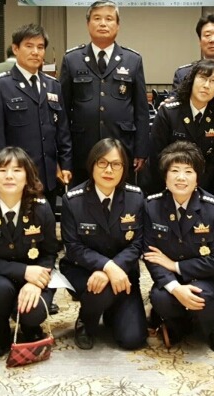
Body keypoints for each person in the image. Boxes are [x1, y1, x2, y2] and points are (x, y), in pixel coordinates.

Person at [0, 146, 60, 359]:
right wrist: (24, 271)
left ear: (27, 177)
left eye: (17, 170)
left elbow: (50, 253)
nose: (9, 176)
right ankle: (1, 332)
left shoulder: (41, 208)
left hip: (35, 278)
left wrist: (35, 283)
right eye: (2, 170)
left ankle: (30, 327)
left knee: (34, 310)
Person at [144, 141, 214, 354]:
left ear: (197, 178)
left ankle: (211, 324)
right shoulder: (151, 206)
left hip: (211, 277)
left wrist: (175, 266)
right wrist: (174, 286)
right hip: (173, 278)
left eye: (188, 171)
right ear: (165, 177)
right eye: (174, 171)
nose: (181, 177)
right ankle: (179, 324)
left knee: (201, 295)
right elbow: (151, 255)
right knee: (161, 298)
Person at [60, 138, 147, 350]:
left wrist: (115, 268)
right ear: (92, 164)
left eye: (116, 164)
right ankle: (86, 321)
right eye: (102, 163)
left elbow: (137, 244)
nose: (109, 170)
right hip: (84, 271)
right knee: (102, 289)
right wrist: (106, 267)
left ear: (124, 168)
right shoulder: (73, 200)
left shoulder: (135, 197)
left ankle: (111, 311)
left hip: (124, 273)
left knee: (133, 339)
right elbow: (73, 247)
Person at [59, 0, 150, 185]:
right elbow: (63, 113)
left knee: (122, 198)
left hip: (122, 148)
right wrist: (64, 155)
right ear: (88, 24)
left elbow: (141, 111)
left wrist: (141, 151)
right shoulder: (72, 59)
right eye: (97, 18)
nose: (102, 23)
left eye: (109, 19)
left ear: (118, 25)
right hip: (82, 149)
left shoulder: (132, 60)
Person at [0, 24, 72, 207]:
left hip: (48, 177)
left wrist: (65, 164)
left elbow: (62, 131)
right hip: (15, 178)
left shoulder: (53, 85)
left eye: (40, 47)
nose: (35, 52)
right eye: (29, 46)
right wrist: (2, 173)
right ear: (16, 49)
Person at [149, 59, 214, 195]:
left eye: (213, 81)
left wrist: (195, 187)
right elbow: (156, 156)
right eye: (202, 78)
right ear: (191, 80)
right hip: (165, 186)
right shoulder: (169, 112)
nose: (206, 85)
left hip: (204, 188)